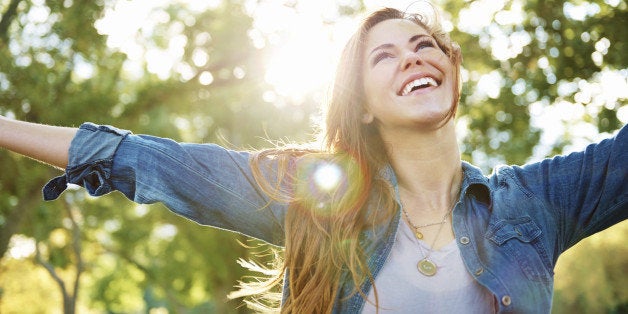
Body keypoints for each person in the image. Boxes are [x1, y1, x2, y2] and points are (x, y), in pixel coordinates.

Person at [0, 5, 626, 314]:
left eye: (423, 44)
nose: (412, 56)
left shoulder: (537, 202)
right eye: (383, 56)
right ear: (362, 109)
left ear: (451, 72)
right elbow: (146, 157)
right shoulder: (316, 196)